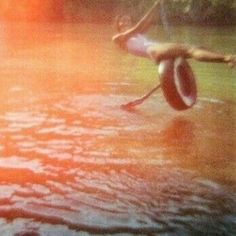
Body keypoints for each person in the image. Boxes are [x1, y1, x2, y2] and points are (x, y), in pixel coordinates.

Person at [112, 0, 236, 108]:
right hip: (155, 51)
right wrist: (155, 4)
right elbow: (138, 27)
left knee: (196, 48)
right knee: (190, 50)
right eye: (123, 20)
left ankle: (227, 59)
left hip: (158, 50)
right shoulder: (118, 38)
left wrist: (158, 5)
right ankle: (228, 58)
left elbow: (148, 21)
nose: (127, 22)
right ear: (119, 24)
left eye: (128, 20)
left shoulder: (137, 34)